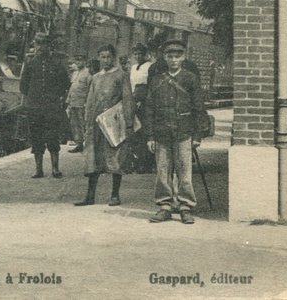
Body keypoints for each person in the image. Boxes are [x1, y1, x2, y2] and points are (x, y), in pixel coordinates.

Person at [143, 39, 209, 225]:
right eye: (170, 57)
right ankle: (165, 206)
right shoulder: (157, 80)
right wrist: (149, 136)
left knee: (184, 171)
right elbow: (149, 109)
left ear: (183, 57)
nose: (173, 60)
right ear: (164, 58)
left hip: (184, 132)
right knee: (163, 171)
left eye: (177, 57)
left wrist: (197, 135)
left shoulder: (190, 78)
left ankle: (185, 206)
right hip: (161, 131)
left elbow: (198, 108)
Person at [75, 44, 135, 207]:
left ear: (113, 58)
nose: (105, 60)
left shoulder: (121, 76)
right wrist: (87, 121)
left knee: (115, 158)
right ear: (99, 58)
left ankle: (115, 195)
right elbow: (90, 100)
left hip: (113, 123)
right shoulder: (95, 78)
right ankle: (90, 196)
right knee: (93, 159)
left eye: (108, 57)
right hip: (96, 125)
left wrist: (128, 123)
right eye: (102, 57)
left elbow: (128, 99)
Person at [19, 33, 70, 179]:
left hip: (51, 108)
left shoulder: (57, 64)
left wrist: (54, 96)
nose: (40, 47)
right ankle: (38, 170)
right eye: (38, 44)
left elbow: (65, 84)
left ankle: (55, 168)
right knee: (36, 138)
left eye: (44, 44)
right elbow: (23, 86)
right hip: (34, 107)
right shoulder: (30, 64)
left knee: (53, 137)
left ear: (49, 46)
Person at [127, 44, 156, 173]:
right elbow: (132, 85)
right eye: (135, 54)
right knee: (135, 133)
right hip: (134, 102)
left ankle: (146, 163)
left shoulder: (150, 66)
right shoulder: (133, 68)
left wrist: (143, 100)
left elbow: (150, 85)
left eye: (140, 54)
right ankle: (137, 161)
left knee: (145, 133)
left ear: (145, 54)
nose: (138, 56)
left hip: (145, 102)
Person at [66, 57, 92, 153]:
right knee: (75, 124)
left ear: (84, 62)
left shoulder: (88, 73)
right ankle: (79, 144)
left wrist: (87, 102)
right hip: (73, 102)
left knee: (83, 124)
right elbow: (72, 87)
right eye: (77, 61)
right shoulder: (75, 73)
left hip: (82, 103)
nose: (78, 63)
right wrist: (68, 100)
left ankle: (88, 146)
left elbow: (90, 88)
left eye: (80, 61)